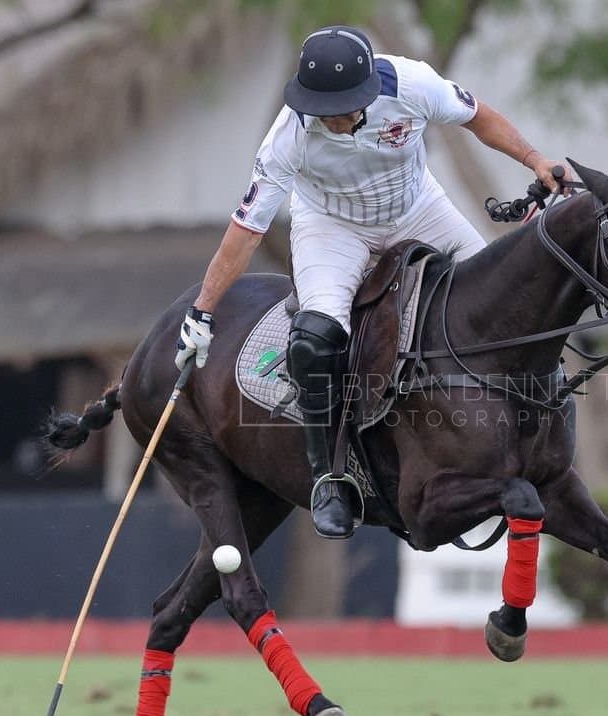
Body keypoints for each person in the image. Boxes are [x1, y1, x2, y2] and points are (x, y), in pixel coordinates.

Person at [175, 25, 567, 540]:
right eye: (322, 108)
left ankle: (536, 413)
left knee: (499, 297)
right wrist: (203, 310)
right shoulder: (288, 136)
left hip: (417, 207)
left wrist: (536, 160)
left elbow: (480, 117)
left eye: (343, 108)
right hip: (331, 226)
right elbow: (248, 228)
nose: (332, 119)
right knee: (314, 340)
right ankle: (329, 478)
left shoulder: (413, 84)